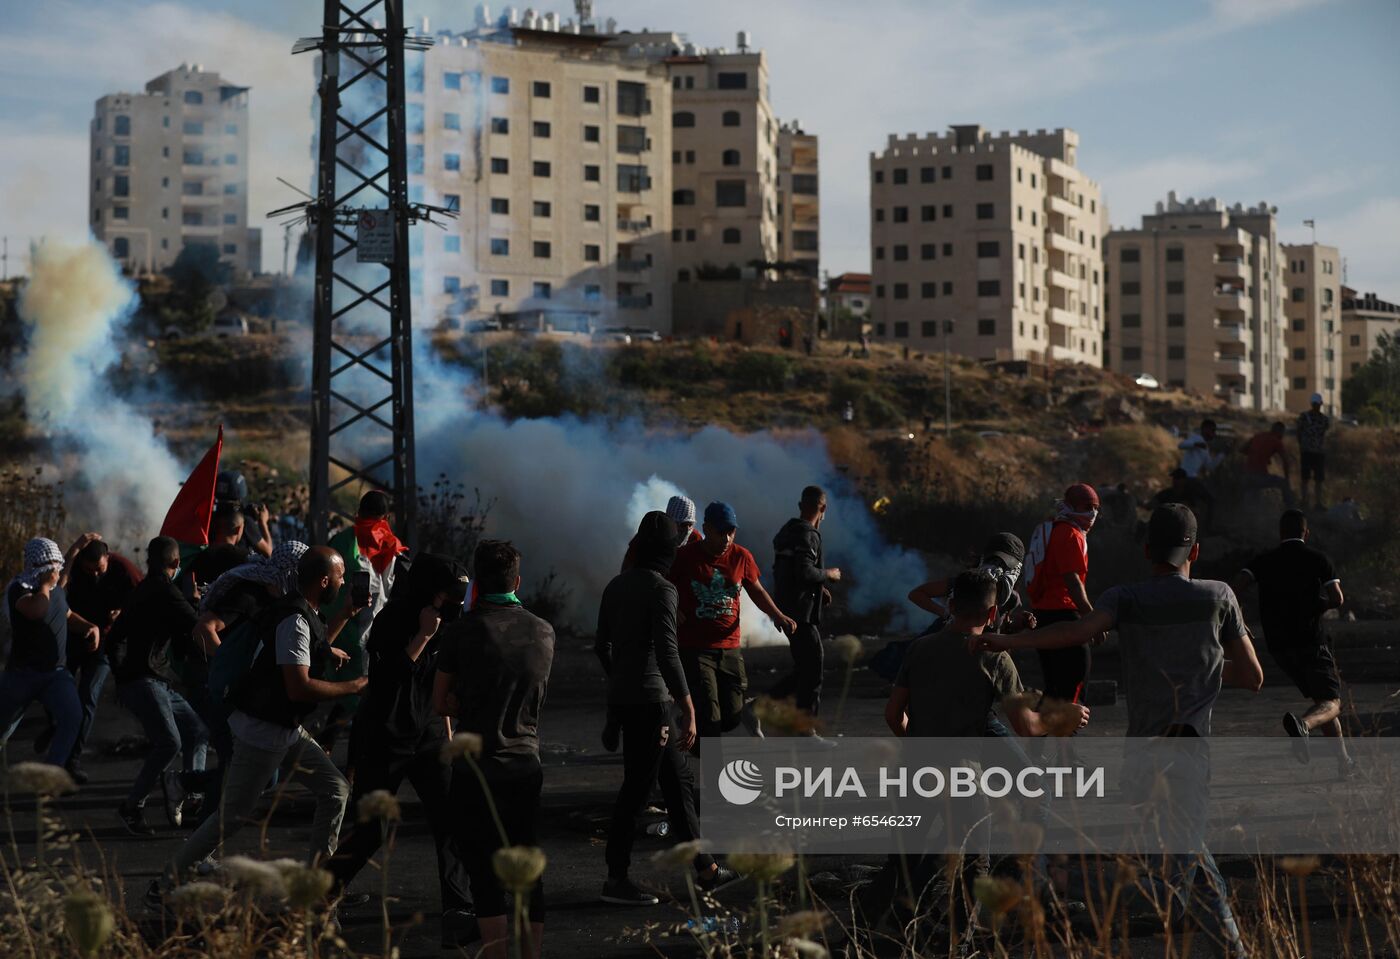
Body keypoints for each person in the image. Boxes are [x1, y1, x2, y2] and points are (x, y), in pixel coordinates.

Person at [977, 504, 1264, 958]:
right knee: (1171, 877)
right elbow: (1253, 676)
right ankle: (1065, 894)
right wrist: (1201, 669)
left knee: (1193, 862)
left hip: (1141, 758)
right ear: (1197, 550)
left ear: (1147, 550)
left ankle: (1231, 948)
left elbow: (1074, 633)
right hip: (1187, 757)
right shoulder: (1219, 596)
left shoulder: (1125, 597)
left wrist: (1010, 641)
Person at [861, 570, 1087, 934]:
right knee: (971, 860)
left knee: (906, 857)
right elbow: (1027, 727)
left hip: (914, 769)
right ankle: (958, 939)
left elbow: (893, 714)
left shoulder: (920, 648)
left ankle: (872, 929)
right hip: (962, 775)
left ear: (950, 605)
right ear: (994, 612)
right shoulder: (995, 659)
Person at [160, 547, 367, 895]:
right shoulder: (294, 620)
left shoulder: (304, 612)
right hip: (266, 731)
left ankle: (319, 888)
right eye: (341, 576)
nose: (345, 581)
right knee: (232, 817)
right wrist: (355, 687)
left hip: (284, 727)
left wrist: (345, 615)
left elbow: (311, 652)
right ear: (323, 580)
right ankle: (166, 883)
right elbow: (298, 688)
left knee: (335, 790)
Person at [327, 553, 474, 949]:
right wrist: (422, 636)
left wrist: (447, 736)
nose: (451, 603)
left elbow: (439, 686)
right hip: (385, 735)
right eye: (446, 595)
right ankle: (320, 896)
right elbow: (389, 680)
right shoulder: (393, 620)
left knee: (450, 820)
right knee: (371, 830)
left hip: (426, 735)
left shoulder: (448, 622)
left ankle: (458, 908)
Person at [595, 513, 738, 906]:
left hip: (629, 699)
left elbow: (601, 646)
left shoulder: (615, 586)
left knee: (678, 785)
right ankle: (616, 879)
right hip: (652, 703)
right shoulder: (663, 589)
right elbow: (668, 651)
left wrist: (618, 683)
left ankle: (706, 868)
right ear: (670, 551)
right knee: (637, 792)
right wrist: (688, 706)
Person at [434, 541, 554, 959]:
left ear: (477, 583)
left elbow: (439, 701)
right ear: (517, 581)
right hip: (525, 763)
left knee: (484, 874)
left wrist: (470, 701)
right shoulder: (544, 631)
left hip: (477, 769)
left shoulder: (461, 631)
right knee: (527, 869)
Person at [668, 503, 796, 751]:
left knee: (731, 716)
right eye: (720, 532)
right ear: (706, 529)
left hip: (729, 649)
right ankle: (714, 778)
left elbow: (756, 591)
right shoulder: (684, 558)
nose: (727, 538)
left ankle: (690, 722)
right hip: (695, 649)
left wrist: (778, 615)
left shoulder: (741, 556)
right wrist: (674, 609)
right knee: (711, 718)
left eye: (731, 532)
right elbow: (662, 587)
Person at [1231, 509, 1350, 775]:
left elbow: (1234, 588)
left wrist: (1239, 622)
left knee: (1323, 700)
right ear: (1306, 533)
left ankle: (1344, 763)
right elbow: (1337, 599)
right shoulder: (1319, 559)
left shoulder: (1263, 561)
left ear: (1281, 533)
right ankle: (1304, 726)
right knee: (1332, 703)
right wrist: (1317, 605)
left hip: (1279, 647)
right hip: (1310, 642)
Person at [109, 536, 209, 834]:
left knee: (196, 730)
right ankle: (132, 807)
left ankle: (190, 793)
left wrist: (119, 677)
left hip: (151, 679)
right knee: (171, 742)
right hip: (146, 679)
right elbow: (197, 626)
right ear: (176, 563)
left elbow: (114, 640)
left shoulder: (141, 590)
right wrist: (197, 601)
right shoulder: (166, 591)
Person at [0, 536, 100, 768]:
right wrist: (45, 584)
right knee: (4, 727)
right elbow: (36, 611)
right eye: (51, 565)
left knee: (72, 717)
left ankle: (51, 773)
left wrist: (88, 627)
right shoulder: (20, 589)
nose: (56, 570)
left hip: (55, 674)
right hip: (22, 675)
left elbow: (65, 614)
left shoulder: (55, 589)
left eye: (57, 564)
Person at [319, 490, 407, 753]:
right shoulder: (392, 544)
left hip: (340, 627)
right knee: (362, 701)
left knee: (347, 696)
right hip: (374, 634)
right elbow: (394, 591)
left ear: (358, 511)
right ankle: (347, 765)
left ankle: (327, 750)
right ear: (386, 516)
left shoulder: (342, 540)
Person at [59, 538, 143, 783]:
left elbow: (142, 601)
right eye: (89, 569)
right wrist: (73, 550)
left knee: (88, 696)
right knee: (57, 688)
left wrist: (123, 613)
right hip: (74, 635)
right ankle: (58, 727)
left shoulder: (123, 568)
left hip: (104, 642)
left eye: (99, 568)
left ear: (108, 557)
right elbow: (56, 588)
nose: (95, 573)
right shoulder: (74, 566)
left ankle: (71, 760)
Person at [1021, 484, 1101, 706]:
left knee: (1054, 687)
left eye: (1096, 508)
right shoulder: (1071, 534)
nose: (1093, 513)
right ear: (1071, 506)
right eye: (1087, 507)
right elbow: (1073, 582)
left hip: (1042, 616)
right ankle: (1065, 737)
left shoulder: (1051, 530)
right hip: (1064, 617)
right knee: (1073, 688)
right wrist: (1093, 620)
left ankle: (1038, 737)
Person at [768, 486, 842, 717]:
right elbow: (804, 571)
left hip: (786, 607)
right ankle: (805, 728)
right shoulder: (808, 534)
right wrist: (828, 575)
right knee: (814, 668)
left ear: (801, 505)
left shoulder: (787, 531)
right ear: (824, 509)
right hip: (800, 613)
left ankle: (761, 705)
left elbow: (787, 570)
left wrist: (819, 589)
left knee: (805, 669)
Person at [620, 495, 700, 572]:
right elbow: (627, 566)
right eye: (682, 524)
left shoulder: (695, 539)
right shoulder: (650, 533)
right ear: (671, 521)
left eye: (690, 525)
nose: (687, 530)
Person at [1242, 422, 1295, 507]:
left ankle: (1246, 517)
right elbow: (1285, 461)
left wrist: (1257, 454)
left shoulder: (1258, 436)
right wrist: (1287, 479)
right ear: (1280, 431)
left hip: (1246, 474)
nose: (1283, 436)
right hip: (1259, 475)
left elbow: (1243, 449)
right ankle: (1290, 510)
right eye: (1283, 433)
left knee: (1251, 500)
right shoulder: (1276, 441)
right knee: (1283, 483)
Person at [1296, 393, 1330, 510]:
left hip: (1307, 451)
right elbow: (1325, 434)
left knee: (1306, 478)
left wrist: (1302, 444)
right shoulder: (1324, 419)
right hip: (1318, 452)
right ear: (1320, 404)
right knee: (1318, 480)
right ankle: (1317, 503)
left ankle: (1305, 501)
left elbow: (1298, 432)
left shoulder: (1304, 416)